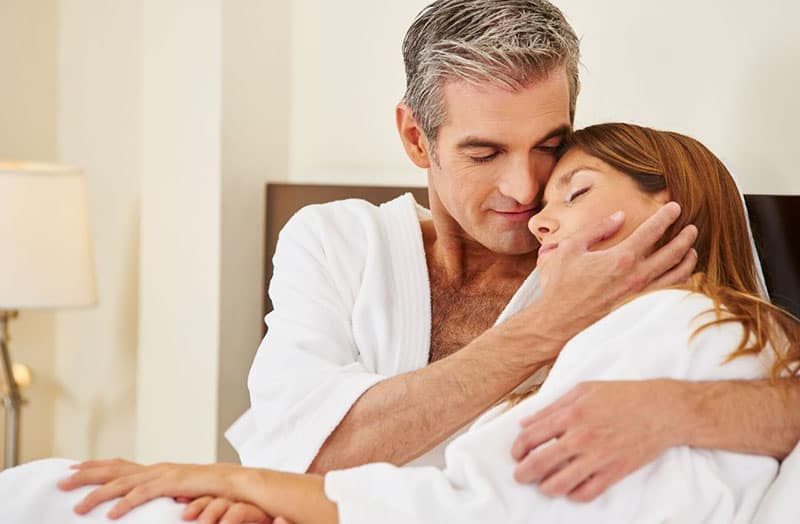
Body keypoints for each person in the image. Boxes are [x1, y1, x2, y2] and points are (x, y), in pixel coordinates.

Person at [49, 123, 800, 524]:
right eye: (482, 151)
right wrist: (265, 491)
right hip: (315, 505)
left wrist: (229, 478)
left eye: (554, 167)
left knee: (70, 498)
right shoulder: (337, 243)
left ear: (677, 206)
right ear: (417, 139)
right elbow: (300, 448)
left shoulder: (674, 325)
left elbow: (486, 507)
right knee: (58, 493)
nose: (530, 204)